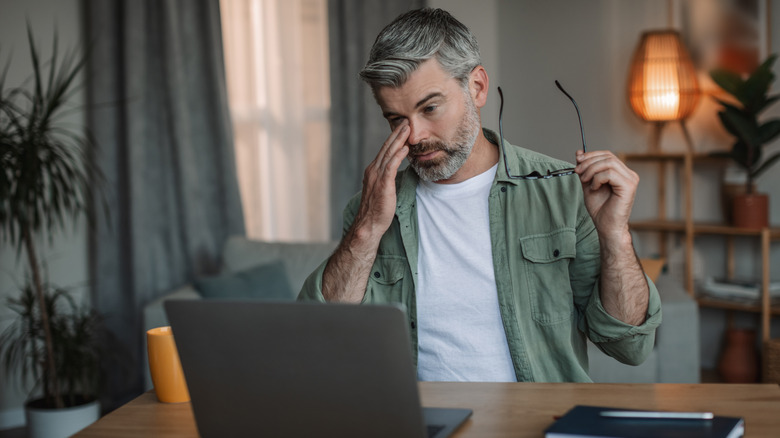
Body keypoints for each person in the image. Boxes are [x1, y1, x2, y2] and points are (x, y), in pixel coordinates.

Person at [299, 8, 661, 382]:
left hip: (537, 422)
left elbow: (630, 346)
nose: (415, 136)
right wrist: (367, 230)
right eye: (396, 119)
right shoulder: (368, 211)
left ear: (477, 87)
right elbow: (322, 344)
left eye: (430, 107)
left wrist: (615, 234)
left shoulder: (565, 194)